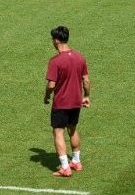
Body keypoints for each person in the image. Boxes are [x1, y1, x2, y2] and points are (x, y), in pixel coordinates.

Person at [44, 26, 90, 177]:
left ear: (56, 40)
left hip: (62, 102)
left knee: (58, 132)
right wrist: (86, 96)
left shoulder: (55, 61)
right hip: (76, 101)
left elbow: (51, 85)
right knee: (73, 129)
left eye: (52, 39)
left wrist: (47, 95)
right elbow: (86, 80)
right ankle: (76, 161)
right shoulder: (80, 57)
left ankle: (65, 167)